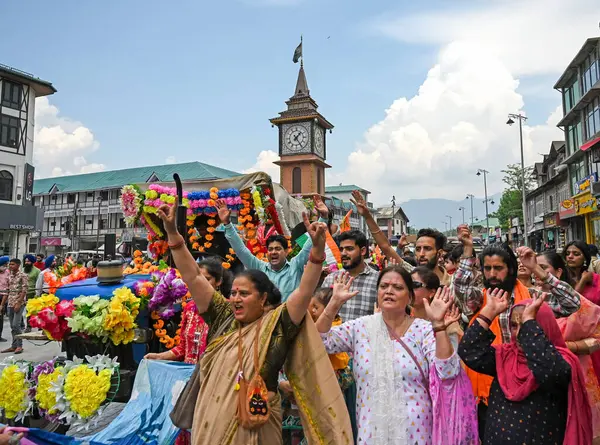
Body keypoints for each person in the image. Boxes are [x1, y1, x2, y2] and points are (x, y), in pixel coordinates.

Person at [156, 200, 351, 444]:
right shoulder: (223, 316)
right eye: (234, 292)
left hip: (258, 424)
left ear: (263, 299)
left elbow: (304, 290)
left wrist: (318, 249)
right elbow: (193, 275)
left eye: (244, 294)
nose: (235, 298)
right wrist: (172, 232)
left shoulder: (278, 322)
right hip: (212, 419)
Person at [316, 265, 476, 444]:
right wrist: (334, 304)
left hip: (416, 432)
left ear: (410, 297)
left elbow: (448, 370)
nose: (389, 291)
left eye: (398, 287)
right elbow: (321, 341)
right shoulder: (360, 328)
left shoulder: (423, 330)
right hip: (372, 432)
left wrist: (438, 325)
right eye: (384, 286)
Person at [454, 224, 581, 438]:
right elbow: (460, 289)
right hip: (494, 386)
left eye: (498, 268)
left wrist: (537, 269)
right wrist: (467, 249)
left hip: (537, 383)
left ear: (511, 269)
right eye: (487, 268)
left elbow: (573, 303)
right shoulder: (482, 298)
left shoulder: (531, 298)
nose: (492, 274)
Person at [458, 291, 592, 445]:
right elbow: (469, 351)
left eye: (528, 324)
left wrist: (529, 323)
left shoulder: (560, 361)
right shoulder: (504, 356)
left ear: (544, 326)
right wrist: (488, 312)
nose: (520, 332)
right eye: (514, 326)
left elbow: (551, 372)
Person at [537, 250, 600, 440]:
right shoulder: (527, 299)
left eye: (542, 268)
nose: (535, 273)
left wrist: (565, 347)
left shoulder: (574, 302)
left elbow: (597, 338)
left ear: (557, 272)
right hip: (541, 377)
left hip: (578, 371)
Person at [217, 196, 329, 301]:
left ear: (286, 251)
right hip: (266, 320)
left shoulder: (295, 265)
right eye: (270, 249)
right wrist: (227, 224)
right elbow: (241, 250)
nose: (273, 252)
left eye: (277, 249)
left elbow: (310, 244)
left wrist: (323, 218)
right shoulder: (259, 267)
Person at [351, 189, 451, 285]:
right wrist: (367, 216)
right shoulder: (410, 274)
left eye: (427, 249)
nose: (421, 254)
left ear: (440, 253)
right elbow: (385, 246)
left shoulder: (453, 284)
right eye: (418, 249)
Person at [321, 230, 378, 322]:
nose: (343, 253)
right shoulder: (330, 279)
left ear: (363, 251)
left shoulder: (378, 280)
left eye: (349, 249)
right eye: (341, 249)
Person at [411, 266, 463, 349]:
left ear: (432, 292)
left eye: (414, 285)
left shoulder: (447, 322)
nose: (409, 289)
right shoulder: (403, 315)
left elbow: (452, 357)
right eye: (407, 285)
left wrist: (439, 328)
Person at [1, 259, 28, 354]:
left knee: (16, 325)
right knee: (12, 326)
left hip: (18, 303)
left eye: (12, 264)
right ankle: (13, 346)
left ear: (18, 265)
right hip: (10, 303)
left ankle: (19, 346)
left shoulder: (23, 275)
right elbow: (7, 290)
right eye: (9, 264)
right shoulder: (9, 275)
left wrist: (19, 302)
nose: (10, 266)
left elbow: (24, 290)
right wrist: (3, 304)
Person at [565, 240, 600, 305]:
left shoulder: (596, 279)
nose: (570, 256)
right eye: (567, 253)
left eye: (576, 254)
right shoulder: (561, 278)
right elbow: (570, 303)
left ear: (585, 258)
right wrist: (583, 281)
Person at [22, 255, 40, 333]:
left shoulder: (37, 271)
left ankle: (30, 326)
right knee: (23, 310)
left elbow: (38, 283)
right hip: (22, 293)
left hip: (32, 293)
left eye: (28, 261)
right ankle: (24, 325)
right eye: (25, 261)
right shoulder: (22, 270)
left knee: (31, 310)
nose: (26, 263)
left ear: (32, 262)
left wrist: (37, 294)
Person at [0, 256, 9, 342]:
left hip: (3, 296)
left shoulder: (8, 273)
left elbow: (7, 288)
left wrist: (2, 304)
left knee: (0, 316)